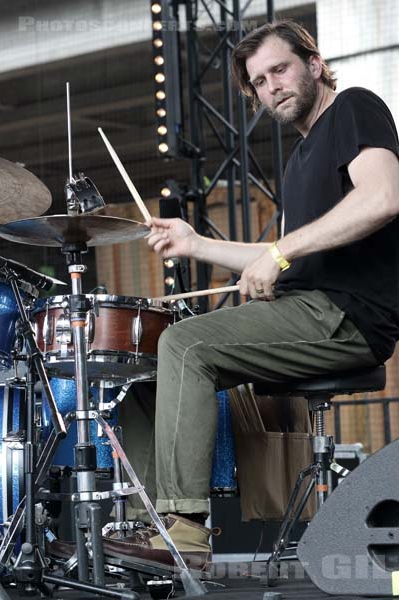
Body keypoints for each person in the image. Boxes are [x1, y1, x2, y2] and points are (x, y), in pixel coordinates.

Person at [106, 19, 399, 570]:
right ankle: (154, 528)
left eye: (279, 69)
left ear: (313, 64)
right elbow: (279, 255)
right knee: (145, 376)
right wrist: (194, 244)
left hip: (346, 316)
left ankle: (185, 533)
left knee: (185, 346)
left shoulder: (354, 107)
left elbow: (384, 196)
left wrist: (281, 252)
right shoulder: (297, 162)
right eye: (260, 81)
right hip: (303, 309)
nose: (272, 87)